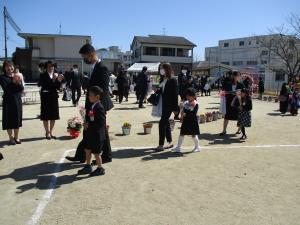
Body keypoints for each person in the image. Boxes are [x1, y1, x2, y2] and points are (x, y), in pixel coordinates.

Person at [66, 43, 113, 164]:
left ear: (91, 55)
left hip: (97, 105)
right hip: (93, 103)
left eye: (84, 56)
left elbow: (103, 89)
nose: (84, 59)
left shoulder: (102, 67)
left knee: (91, 130)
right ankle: (98, 155)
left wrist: (96, 106)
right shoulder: (94, 66)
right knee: (95, 130)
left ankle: (84, 156)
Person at [78, 86, 106, 176]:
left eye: (90, 95)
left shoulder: (100, 108)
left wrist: (89, 125)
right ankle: (88, 166)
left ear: (97, 97)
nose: (88, 97)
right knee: (87, 149)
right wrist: (86, 123)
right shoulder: (92, 105)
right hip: (90, 133)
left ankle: (100, 168)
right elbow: (91, 118)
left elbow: (101, 123)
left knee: (97, 153)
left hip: (97, 134)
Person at [38, 61, 64, 140]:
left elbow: (57, 87)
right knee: (46, 115)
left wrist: (59, 80)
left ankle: (51, 132)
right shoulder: (42, 75)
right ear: (46, 67)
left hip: (53, 97)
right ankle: (47, 132)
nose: (51, 68)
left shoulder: (56, 74)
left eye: (52, 66)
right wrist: (53, 79)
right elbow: (43, 85)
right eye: (49, 66)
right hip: (45, 97)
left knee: (53, 115)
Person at [155, 63, 178, 152]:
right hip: (162, 104)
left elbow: (175, 94)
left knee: (162, 123)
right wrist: (157, 89)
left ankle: (161, 144)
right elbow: (160, 90)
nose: (161, 70)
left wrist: (175, 109)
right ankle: (170, 141)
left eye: (162, 68)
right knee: (166, 123)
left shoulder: (173, 80)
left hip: (169, 105)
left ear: (167, 69)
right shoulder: (162, 79)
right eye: (160, 68)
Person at [0, 61, 24, 145]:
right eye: (7, 66)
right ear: (4, 68)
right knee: (9, 121)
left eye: (11, 66)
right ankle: (11, 138)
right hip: (8, 102)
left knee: (17, 120)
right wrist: (14, 82)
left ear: (13, 67)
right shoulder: (2, 77)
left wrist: (19, 81)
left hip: (17, 101)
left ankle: (16, 137)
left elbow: (21, 89)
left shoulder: (17, 76)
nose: (10, 68)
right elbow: (7, 90)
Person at [172, 88, 200, 153]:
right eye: (187, 95)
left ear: (193, 96)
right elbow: (183, 111)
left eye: (189, 96)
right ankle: (178, 147)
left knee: (194, 135)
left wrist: (185, 114)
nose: (187, 97)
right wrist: (182, 118)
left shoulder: (195, 103)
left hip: (193, 122)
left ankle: (197, 147)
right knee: (182, 134)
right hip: (186, 121)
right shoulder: (186, 102)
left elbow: (193, 113)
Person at [220, 71, 245, 136]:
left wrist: (238, 93)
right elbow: (223, 92)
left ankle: (239, 130)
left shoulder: (241, 84)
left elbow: (245, 93)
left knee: (240, 117)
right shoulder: (228, 84)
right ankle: (224, 130)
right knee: (226, 116)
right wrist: (230, 92)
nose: (239, 77)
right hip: (229, 102)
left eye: (239, 76)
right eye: (238, 76)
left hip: (238, 102)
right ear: (234, 76)